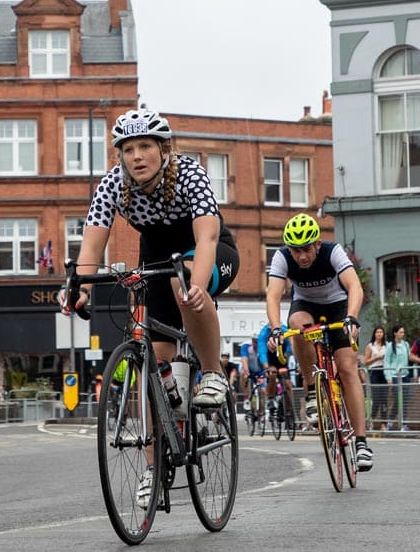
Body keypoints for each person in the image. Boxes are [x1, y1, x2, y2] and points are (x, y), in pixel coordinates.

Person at [65, 109, 239, 417]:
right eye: (128, 150)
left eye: (145, 146)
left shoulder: (190, 173)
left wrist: (196, 287)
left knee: (181, 283)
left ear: (165, 149)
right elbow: (92, 243)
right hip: (156, 255)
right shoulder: (112, 185)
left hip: (208, 250)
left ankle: (213, 373)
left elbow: (207, 238)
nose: (137, 157)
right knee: (153, 361)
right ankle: (154, 463)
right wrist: (80, 288)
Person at [265, 213, 372, 470]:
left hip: (338, 305)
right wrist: (275, 329)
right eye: (295, 250)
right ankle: (313, 388)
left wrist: (352, 318)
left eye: (306, 249)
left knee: (347, 369)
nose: (301, 256)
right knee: (297, 326)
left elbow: (355, 286)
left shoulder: (333, 251)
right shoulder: (281, 257)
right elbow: (273, 296)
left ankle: (361, 442)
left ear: (317, 245)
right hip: (305, 305)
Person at [258, 322, 297, 426]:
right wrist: (267, 367)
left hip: (282, 357)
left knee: (288, 384)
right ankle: (270, 398)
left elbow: (290, 347)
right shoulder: (263, 333)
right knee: (273, 373)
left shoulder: (284, 330)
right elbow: (262, 352)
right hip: (269, 359)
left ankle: (289, 410)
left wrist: (288, 360)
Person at [382, 325, 410, 430]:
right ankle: (391, 421)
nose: (402, 334)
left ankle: (404, 423)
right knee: (398, 400)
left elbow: (409, 359)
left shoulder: (406, 344)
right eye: (400, 332)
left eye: (403, 332)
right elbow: (387, 362)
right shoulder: (390, 346)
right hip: (394, 375)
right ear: (395, 333)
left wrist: (413, 372)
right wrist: (388, 376)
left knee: (405, 400)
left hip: (405, 375)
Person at [363, 326, 388, 428]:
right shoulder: (370, 346)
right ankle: (371, 418)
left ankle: (383, 422)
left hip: (385, 371)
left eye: (381, 332)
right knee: (377, 397)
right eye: (377, 332)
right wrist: (377, 357)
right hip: (374, 371)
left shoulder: (387, 345)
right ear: (374, 334)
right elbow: (366, 361)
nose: (379, 334)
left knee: (384, 399)